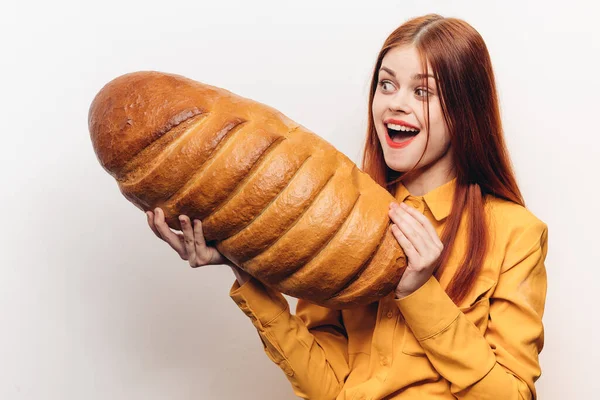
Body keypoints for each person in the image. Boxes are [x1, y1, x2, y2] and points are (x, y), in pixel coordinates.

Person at [146, 13, 548, 400]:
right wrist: (245, 268)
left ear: (465, 110)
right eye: (386, 85)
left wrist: (421, 293)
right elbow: (328, 388)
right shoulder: (336, 217)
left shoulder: (517, 234)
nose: (395, 104)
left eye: (422, 91)